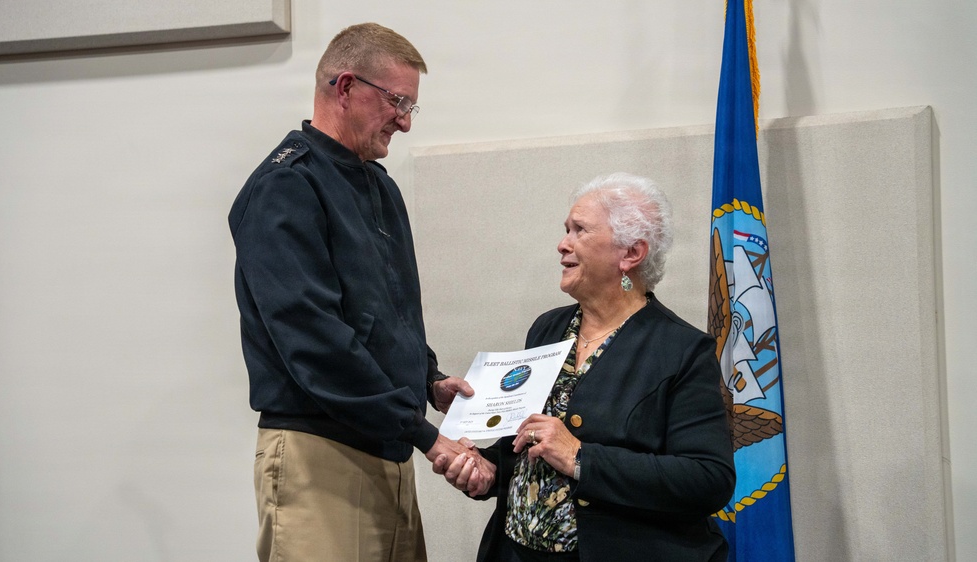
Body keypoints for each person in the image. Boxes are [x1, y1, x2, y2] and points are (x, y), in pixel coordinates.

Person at [228, 22, 486, 562]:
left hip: (387, 451)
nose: (405, 123)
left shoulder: (379, 187)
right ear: (345, 87)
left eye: (411, 106)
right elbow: (316, 341)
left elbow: (387, 315)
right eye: (397, 101)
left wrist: (428, 381)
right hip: (320, 459)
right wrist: (426, 436)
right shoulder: (286, 187)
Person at [438, 172, 736, 561]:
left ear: (631, 254)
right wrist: (489, 471)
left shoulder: (682, 349)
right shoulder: (549, 328)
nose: (562, 245)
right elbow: (526, 439)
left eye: (579, 231)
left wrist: (581, 457)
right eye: (566, 230)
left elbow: (707, 479)